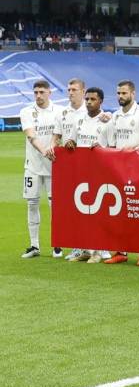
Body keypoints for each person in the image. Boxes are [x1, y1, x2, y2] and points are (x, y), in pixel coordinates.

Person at [105, 80, 139, 266]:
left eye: (124, 93)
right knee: (121, 213)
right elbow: (112, 144)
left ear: (133, 94)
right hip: (120, 170)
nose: (121, 97)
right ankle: (120, 251)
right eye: (118, 93)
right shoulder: (115, 116)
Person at [59, 87, 114, 264]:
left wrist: (102, 149)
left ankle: (99, 251)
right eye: (87, 99)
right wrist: (69, 142)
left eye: (93, 99)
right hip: (82, 172)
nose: (89, 102)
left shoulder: (107, 121)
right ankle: (85, 249)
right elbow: (72, 140)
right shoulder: (79, 119)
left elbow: (114, 148)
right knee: (82, 212)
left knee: (99, 212)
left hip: (101, 172)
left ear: (101, 102)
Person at [20, 80, 58, 259]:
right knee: (32, 203)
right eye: (35, 92)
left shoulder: (59, 111)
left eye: (42, 92)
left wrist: (52, 146)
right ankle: (34, 245)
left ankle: (57, 245)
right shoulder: (26, 111)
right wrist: (45, 151)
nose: (38, 96)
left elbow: (59, 134)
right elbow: (30, 135)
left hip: (54, 167)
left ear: (49, 92)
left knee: (55, 206)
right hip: (33, 166)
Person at [52, 78, 88, 260]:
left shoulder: (90, 110)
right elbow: (56, 136)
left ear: (83, 91)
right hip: (68, 168)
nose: (70, 92)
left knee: (88, 206)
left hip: (87, 167)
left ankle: (96, 247)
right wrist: (53, 146)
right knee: (72, 207)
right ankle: (77, 246)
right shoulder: (62, 112)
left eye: (74, 89)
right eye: (68, 89)